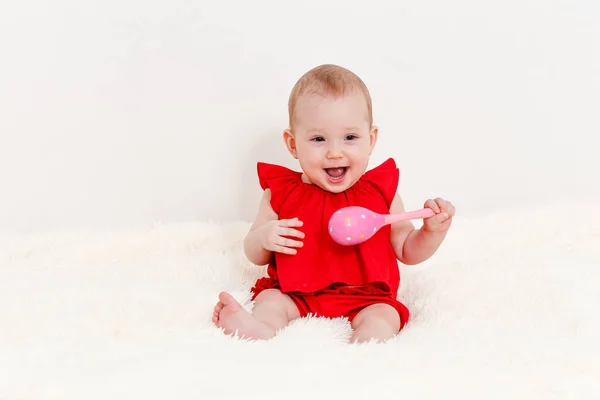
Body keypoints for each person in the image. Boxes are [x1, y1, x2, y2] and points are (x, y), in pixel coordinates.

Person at [212, 64, 455, 343]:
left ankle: (366, 346)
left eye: (350, 137)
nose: (334, 152)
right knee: (270, 299)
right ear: (292, 145)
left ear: (371, 140)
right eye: (318, 139)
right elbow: (253, 252)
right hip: (296, 294)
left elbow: (407, 250)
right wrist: (265, 238)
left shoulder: (380, 194)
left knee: (384, 316)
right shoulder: (281, 193)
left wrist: (431, 232)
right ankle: (260, 329)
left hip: (367, 296)